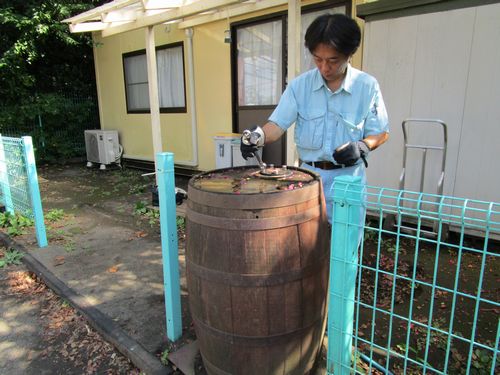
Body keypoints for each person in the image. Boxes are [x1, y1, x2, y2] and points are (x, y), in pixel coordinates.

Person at [240, 13, 389, 223]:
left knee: (344, 250)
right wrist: (257, 136)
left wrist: (363, 146)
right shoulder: (299, 86)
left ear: (349, 54)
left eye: (333, 60)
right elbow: (277, 125)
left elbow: (381, 131)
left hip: (348, 180)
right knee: (306, 247)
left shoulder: (366, 86)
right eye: (318, 59)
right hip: (308, 179)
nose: (324, 68)